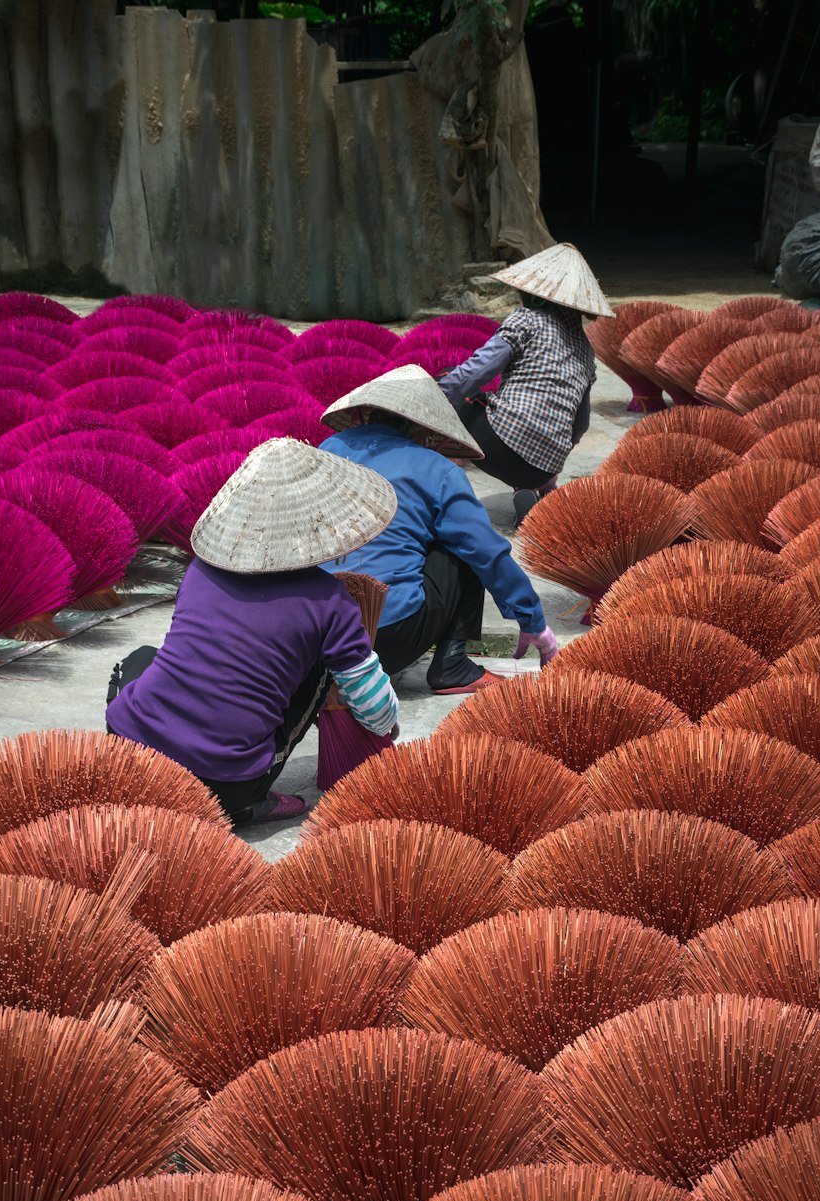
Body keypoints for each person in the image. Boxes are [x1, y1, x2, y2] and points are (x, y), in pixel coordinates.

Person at [105, 438, 400, 825]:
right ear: (323, 525)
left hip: (131, 750)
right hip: (223, 786)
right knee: (321, 669)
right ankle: (252, 800)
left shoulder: (201, 568)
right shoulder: (330, 601)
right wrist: (386, 724)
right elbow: (377, 713)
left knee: (141, 658)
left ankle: (136, 764)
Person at [319, 365, 558, 694]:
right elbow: (486, 551)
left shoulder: (327, 451)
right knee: (463, 545)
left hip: (316, 643)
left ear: (365, 414)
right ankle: (452, 664)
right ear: (426, 430)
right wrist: (533, 620)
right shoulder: (438, 470)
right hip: (386, 640)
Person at [438, 242, 613, 527]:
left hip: (495, 448)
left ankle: (439, 489)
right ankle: (529, 488)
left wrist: (430, 398)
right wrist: (550, 457)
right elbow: (579, 425)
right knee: (517, 438)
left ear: (540, 297)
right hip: (544, 468)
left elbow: (476, 373)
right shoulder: (586, 350)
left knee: (449, 382)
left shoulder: (527, 320)